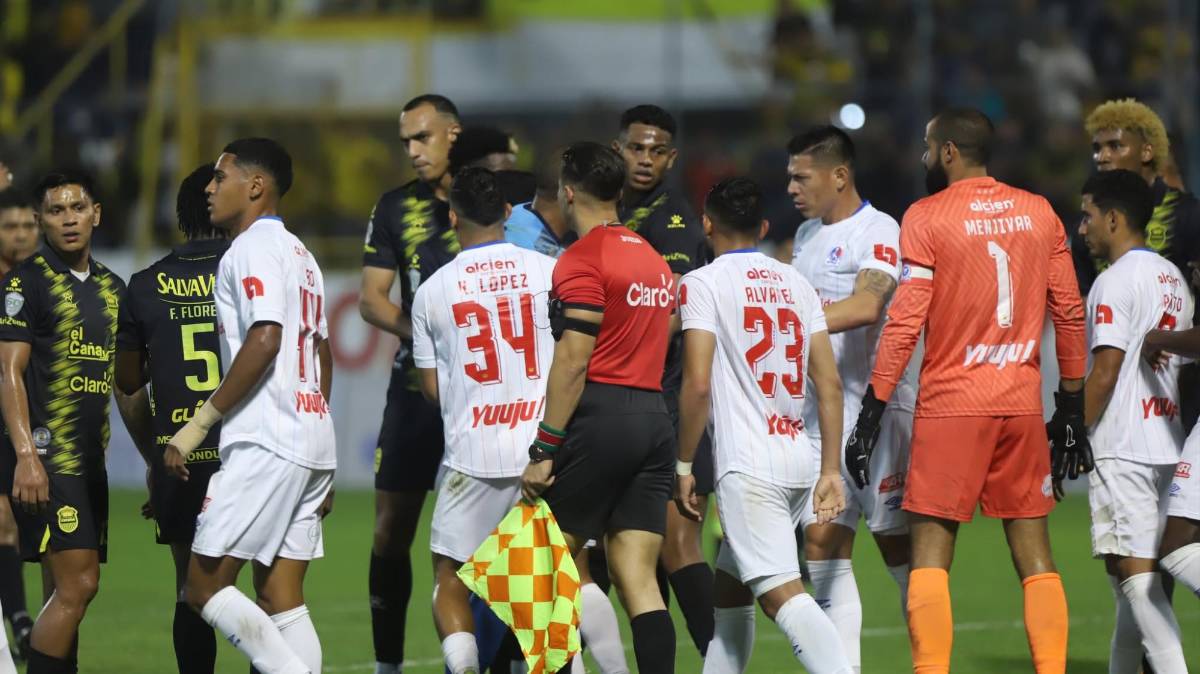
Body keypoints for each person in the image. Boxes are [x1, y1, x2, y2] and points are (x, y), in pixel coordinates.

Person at [847, 108, 1089, 674]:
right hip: (1020, 403)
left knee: (931, 557)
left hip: (951, 406)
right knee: (1036, 558)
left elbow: (906, 322)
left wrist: (873, 409)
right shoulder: (1039, 212)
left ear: (950, 151)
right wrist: (1071, 405)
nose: (925, 158)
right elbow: (1070, 314)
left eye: (929, 148)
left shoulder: (927, 216)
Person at [675, 177, 853, 673]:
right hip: (797, 457)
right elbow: (829, 384)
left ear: (707, 225)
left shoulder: (703, 283)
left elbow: (697, 385)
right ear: (765, 227)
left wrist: (685, 464)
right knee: (729, 600)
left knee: (783, 598)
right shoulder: (796, 282)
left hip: (749, 467)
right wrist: (830, 470)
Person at [169, 138, 334, 674]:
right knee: (280, 594)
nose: (208, 188)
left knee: (202, 586)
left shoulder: (251, 249)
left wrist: (198, 425)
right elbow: (322, 352)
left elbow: (265, 338)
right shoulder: (301, 254)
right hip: (309, 433)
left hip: (268, 437)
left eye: (220, 178)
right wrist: (315, 435)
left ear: (255, 186)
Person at [520, 141, 677, 673]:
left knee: (544, 572)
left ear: (568, 194)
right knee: (639, 579)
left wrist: (545, 447)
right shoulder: (652, 260)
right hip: (654, 418)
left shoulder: (581, 259)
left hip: (602, 417)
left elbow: (572, 361)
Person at [410, 167, 557, 674]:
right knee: (546, 583)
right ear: (510, 213)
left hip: (472, 456)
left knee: (449, 576)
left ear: (452, 217)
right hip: (542, 454)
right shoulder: (548, 272)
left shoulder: (431, 290)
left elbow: (431, 389)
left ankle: (464, 665)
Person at [787, 126, 915, 669]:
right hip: (824, 422)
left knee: (898, 550)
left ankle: (931, 658)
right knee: (820, 545)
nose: (791, 187)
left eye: (801, 176)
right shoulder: (805, 237)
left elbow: (867, 305)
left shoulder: (878, 229)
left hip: (878, 419)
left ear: (840, 175)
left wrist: (785, 325)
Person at [503, 152, 627, 674]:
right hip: (547, 414)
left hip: (530, 424)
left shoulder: (557, 254)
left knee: (532, 570)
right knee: (570, 567)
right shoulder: (542, 252)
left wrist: (546, 443)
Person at [0, 170, 127, 674]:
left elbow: (125, 387)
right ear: (41, 221)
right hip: (51, 461)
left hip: (90, 464)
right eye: (55, 211)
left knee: (62, 594)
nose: (68, 218)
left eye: (77, 208)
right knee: (80, 586)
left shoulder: (113, 289)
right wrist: (27, 455)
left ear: (96, 214)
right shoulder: (24, 283)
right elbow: (8, 369)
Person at [359, 93, 461, 674]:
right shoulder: (395, 207)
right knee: (391, 527)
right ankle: (387, 665)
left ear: (453, 133)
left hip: (483, 392)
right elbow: (372, 299)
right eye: (406, 141)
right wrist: (422, 336)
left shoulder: (488, 200)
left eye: (423, 137)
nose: (413, 151)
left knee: (487, 537)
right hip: (414, 388)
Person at [113, 164, 228, 674]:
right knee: (273, 588)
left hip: (184, 461)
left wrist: (158, 456)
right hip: (251, 450)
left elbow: (129, 387)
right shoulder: (255, 268)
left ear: (180, 215)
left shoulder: (143, 285)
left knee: (190, 586)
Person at [1077, 169, 1192, 671]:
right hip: (1169, 442)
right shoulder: (1175, 281)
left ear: (1114, 218)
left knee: (1138, 584)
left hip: (1124, 447)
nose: (1082, 228)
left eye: (1088, 216)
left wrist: (1069, 435)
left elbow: (1104, 373)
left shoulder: (1113, 281)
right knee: (1128, 593)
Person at [612, 104, 713, 656]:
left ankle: (722, 665)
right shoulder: (615, 214)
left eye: (656, 151)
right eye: (636, 148)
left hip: (673, 404)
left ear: (671, 158)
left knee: (677, 545)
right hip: (635, 404)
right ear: (618, 148)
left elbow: (672, 308)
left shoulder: (671, 220)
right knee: (635, 559)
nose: (645, 159)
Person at [1078, 98, 1200, 296]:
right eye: (1097, 149)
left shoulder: (1190, 215)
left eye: (1115, 146)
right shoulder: (1088, 225)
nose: (1102, 157)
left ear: (1146, 151)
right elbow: (1082, 309)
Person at [0, 190, 38, 658]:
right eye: (10, 227)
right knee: (4, 522)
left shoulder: (48, 283)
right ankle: (21, 622)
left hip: (37, 421)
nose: (22, 234)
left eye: (28, 225)